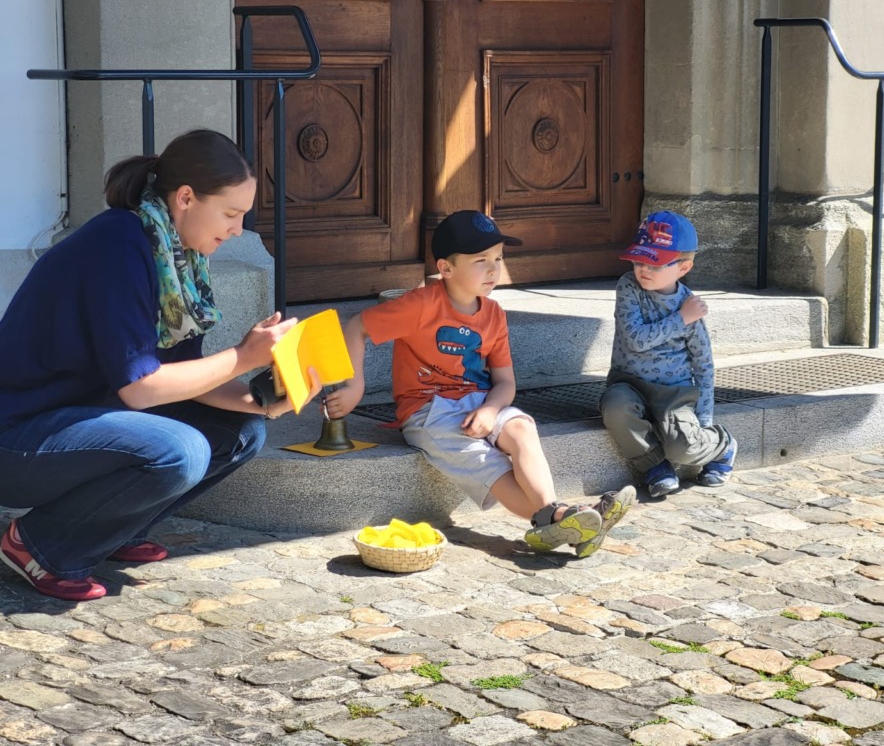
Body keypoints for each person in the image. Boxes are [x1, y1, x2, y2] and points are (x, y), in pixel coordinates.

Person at [0, 129, 319, 601]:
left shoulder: (176, 256)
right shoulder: (118, 244)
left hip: (82, 423)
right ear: (186, 197)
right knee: (180, 450)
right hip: (19, 437)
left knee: (242, 434)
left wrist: (265, 401)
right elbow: (143, 389)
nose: (236, 230)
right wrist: (242, 356)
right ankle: (37, 546)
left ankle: (105, 531)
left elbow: (185, 376)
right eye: (230, 214)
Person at [325, 210, 634, 557]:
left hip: (481, 402)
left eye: (499, 257)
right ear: (445, 268)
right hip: (428, 412)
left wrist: (490, 409)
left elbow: (505, 383)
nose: (493, 268)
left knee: (521, 429)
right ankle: (565, 519)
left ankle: (557, 516)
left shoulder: (494, 314)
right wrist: (355, 386)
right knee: (492, 465)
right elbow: (356, 327)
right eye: (481, 260)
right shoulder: (420, 305)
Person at [601, 210, 736, 499]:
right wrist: (680, 320)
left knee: (684, 449)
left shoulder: (691, 307)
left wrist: (705, 419)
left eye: (656, 263)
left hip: (674, 393)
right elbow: (635, 339)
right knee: (614, 407)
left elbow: (703, 365)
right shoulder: (629, 287)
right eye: (639, 260)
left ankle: (722, 445)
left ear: (683, 268)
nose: (643, 270)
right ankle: (655, 467)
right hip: (629, 384)